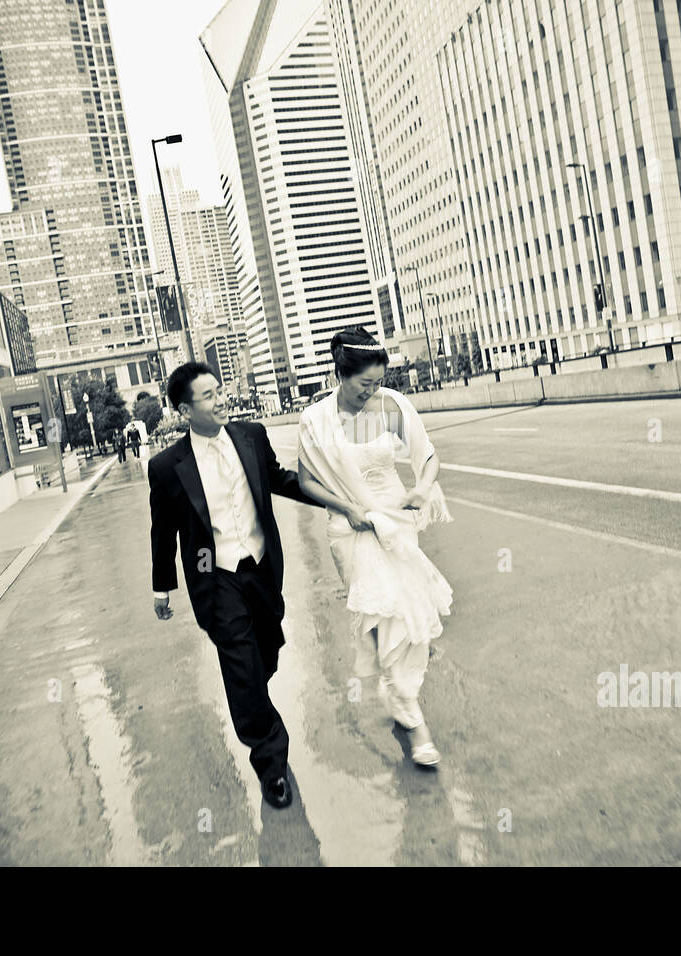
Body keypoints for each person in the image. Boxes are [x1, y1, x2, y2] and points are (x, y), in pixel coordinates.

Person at [147, 362, 320, 808]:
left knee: (263, 655)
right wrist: (162, 585)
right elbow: (163, 531)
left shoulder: (251, 435)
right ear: (186, 410)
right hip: (216, 577)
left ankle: (256, 701)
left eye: (220, 390)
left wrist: (328, 496)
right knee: (241, 670)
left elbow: (278, 480)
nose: (221, 398)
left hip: (262, 568)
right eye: (208, 395)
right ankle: (271, 764)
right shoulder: (167, 467)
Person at [297, 327, 453, 767]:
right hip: (350, 531)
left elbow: (427, 457)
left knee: (405, 618)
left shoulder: (392, 405)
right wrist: (347, 507)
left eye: (378, 381)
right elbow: (307, 481)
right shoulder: (316, 419)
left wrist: (422, 489)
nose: (373, 391)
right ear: (340, 375)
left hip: (397, 526)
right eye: (365, 384)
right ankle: (400, 694)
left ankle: (411, 712)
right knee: (378, 621)